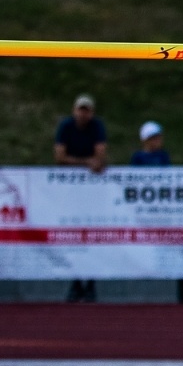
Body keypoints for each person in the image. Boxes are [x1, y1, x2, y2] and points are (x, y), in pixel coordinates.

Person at [55, 95, 106, 302]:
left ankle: (91, 284)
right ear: (74, 110)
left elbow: (100, 157)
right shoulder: (66, 126)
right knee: (71, 236)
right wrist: (86, 163)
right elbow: (59, 157)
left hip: (92, 192)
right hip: (70, 191)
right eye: (80, 110)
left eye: (87, 110)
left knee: (94, 235)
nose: (83, 114)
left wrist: (87, 162)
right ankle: (76, 283)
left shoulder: (97, 127)